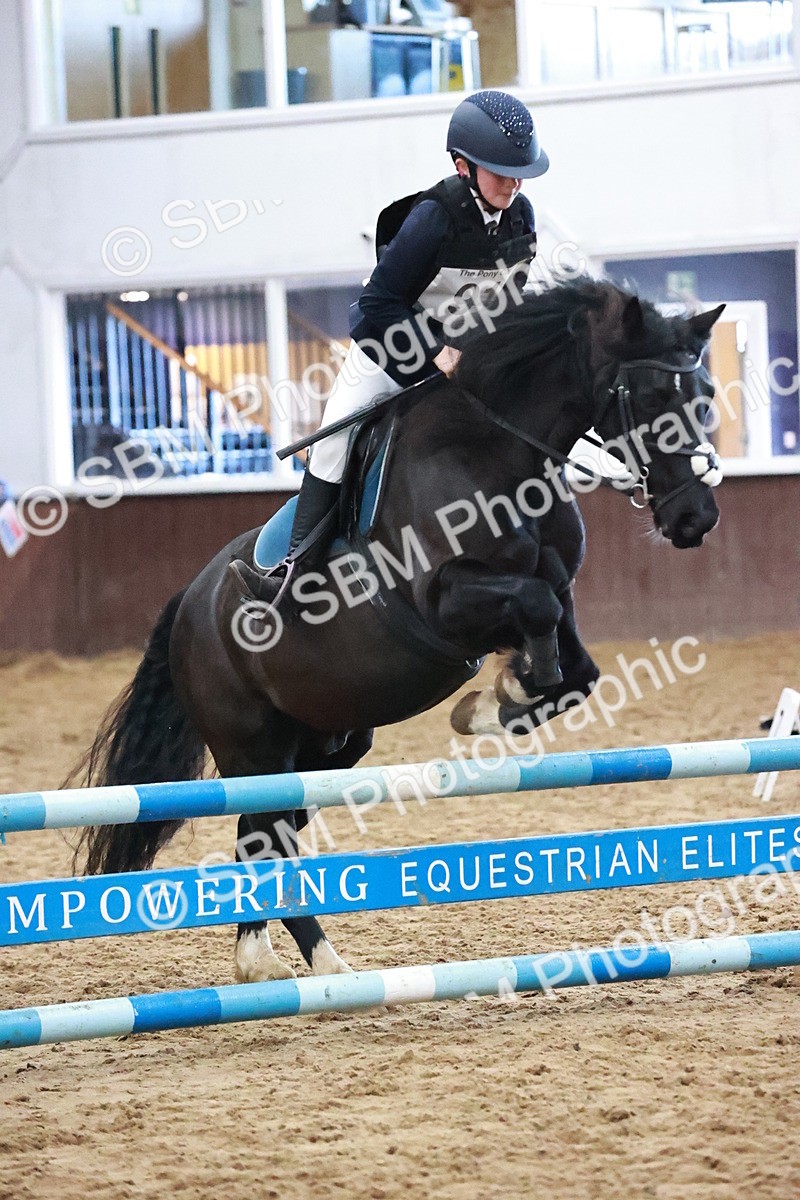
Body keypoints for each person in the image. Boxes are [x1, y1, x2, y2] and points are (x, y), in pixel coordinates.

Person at [232, 89, 549, 602]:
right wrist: (436, 351)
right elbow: (378, 303)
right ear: (463, 166)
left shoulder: (522, 219)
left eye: (520, 173)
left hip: (462, 363)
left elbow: (506, 303)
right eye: (501, 171)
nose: (514, 183)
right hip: (389, 354)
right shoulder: (433, 218)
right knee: (334, 441)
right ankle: (292, 575)